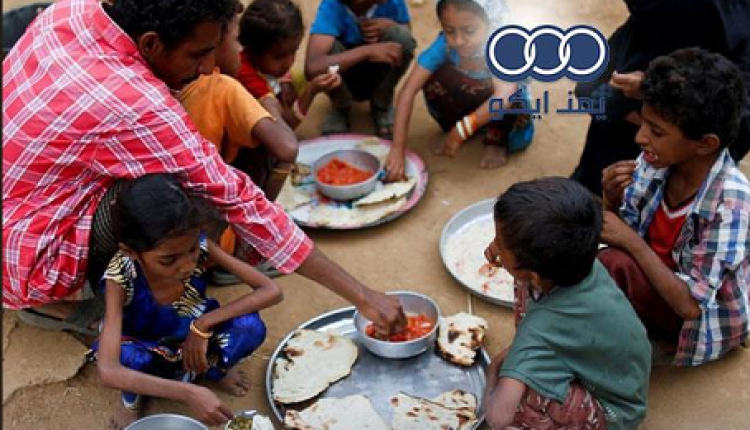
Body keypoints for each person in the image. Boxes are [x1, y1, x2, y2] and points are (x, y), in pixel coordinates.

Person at [3, 0, 405, 345]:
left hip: (19, 203)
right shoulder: (137, 106)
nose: (207, 67)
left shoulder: (70, 12)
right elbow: (239, 199)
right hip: (25, 258)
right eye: (198, 55)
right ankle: (59, 303)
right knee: (167, 190)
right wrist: (363, 296)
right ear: (151, 43)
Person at [92, 174, 281, 429]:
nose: (188, 266)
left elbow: (271, 290)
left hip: (195, 337)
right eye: (169, 261)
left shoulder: (198, 243)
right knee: (130, 357)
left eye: (191, 251)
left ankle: (213, 370)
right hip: (148, 346)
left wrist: (202, 325)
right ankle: (131, 403)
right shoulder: (120, 276)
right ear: (131, 252)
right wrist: (188, 393)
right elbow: (108, 370)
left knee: (249, 327)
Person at [599, 48, 750, 367]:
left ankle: (654, 341)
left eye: (656, 131)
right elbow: (625, 226)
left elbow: (691, 306)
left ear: (705, 144)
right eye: (643, 122)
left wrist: (629, 241)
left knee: (610, 264)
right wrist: (611, 200)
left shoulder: (731, 202)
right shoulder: (656, 162)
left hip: (693, 320)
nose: (640, 138)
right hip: (653, 278)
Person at [483, 177, 651, 430]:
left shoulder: (539, 327)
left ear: (534, 275)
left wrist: (491, 375)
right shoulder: (582, 265)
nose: (494, 245)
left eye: (499, 241)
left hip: (614, 412)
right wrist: (502, 249)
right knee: (522, 285)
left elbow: (498, 418)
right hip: (620, 377)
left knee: (524, 400)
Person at [570, 0, 750, 196]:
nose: (641, 136)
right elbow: (589, 89)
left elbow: (732, 138)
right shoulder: (653, 18)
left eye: (656, 130)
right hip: (601, 168)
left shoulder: (733, 39)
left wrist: (663, 96)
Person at [383, 0, 534, 181]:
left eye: (470, 31)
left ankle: (496, 139)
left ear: (492, 23)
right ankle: (456, 126)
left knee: (514, 94)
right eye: (449, 31)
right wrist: (397, 149)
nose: (459, 41)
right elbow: (408, 90)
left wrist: (465, 127)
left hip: (502, 110)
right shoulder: (444, 45)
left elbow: (505, 94)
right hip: (472, 103)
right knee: (432, 78)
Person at [304, 0, 417, 138]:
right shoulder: (333, 6)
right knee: (329, 50)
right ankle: (341, 107)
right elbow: (312, 68)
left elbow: (407, 36)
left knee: (402, 37)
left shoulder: (392, 2)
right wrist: (368, 52)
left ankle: (382, 105)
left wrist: (391, 25)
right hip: (344, 78)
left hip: (379, 72)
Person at [236, 0, 342, 130]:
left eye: (294, 51)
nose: (289, 62)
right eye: (279, 57)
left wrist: (285, 79)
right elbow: (284, 125)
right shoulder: (247, 78)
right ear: (253, 51)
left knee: (301, 78)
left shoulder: (263, 61)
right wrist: (311, 91)